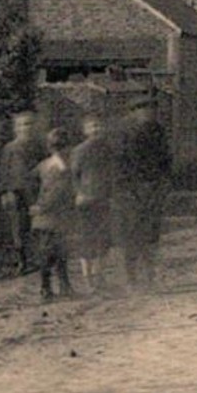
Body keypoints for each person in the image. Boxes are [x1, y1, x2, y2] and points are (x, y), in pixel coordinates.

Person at [116, 100, 172, 289]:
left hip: (154, 189)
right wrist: (127, 190)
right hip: (132, 191)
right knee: (132, 236)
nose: (149, 113)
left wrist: (164, 184)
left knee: (151, 236)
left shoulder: (159, 131)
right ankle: (131, 278)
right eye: (144, 110)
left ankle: (150, 277)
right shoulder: (125, 133)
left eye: (152, 110)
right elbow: (120, 164)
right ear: (135, 112)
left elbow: (166, 160)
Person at [69, 114, 120, 295]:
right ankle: (87, 279)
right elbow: (74, 176)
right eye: (92, 127)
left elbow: (114, 175)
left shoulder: (109, 149)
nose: (95, 130)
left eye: (98, 126)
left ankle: (100, 277)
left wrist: (113, 195)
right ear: (85, 130)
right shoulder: (80, 151)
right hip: (86, 201)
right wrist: (79, 193)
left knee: (104, 239)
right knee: (87, 239)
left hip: (104, 199)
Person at [29, 128, 76, 302]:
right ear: (50, 148)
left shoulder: (59, 164)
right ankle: (45, 288)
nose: (59, 149)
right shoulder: (53, 165)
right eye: (56, 146)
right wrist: (38, 205)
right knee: (48, 253)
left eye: (62, 146)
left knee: (61, 252)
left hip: (59, 215)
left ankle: (64, 286)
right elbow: (54, 190)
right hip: (48, 216)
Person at [0, 111, 47, 276]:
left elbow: (47, 165)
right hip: (17, 191)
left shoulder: (40, 146)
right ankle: (23, 261)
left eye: (30, 124)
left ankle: (41, 258)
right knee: (19, 226)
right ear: (16, 128)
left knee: (40, 223)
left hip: (36, 189)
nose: (27, 128)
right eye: (23, 124)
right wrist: (5, 192)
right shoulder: (10, 148)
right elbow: (4, 171)